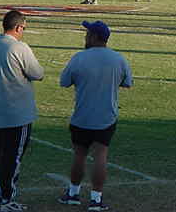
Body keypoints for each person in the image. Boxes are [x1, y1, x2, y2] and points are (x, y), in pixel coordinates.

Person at [58, 20, 133, 212]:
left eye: (87, 34)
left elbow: (64, 82)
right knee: (100, 156)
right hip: (106, 117)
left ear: (94, 37)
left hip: (82, 116)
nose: (85, 37)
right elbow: (127, 82)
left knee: (79, 155)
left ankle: (73, 193)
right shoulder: (118, 58)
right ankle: (96, 199)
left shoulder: (79, 58)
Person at [0, 10, 44, 211]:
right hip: (17, 113)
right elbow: (37, 73)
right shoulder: (19, 47)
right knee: (12, 159)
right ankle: (6, 199)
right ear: (18, 27)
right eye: (23, 28)